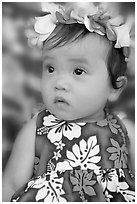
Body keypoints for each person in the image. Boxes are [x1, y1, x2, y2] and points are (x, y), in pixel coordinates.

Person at [2, 2, 135, 202]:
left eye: (78, 71)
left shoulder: (125, 128)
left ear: (115, 88)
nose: (59, 83)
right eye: (50, 69)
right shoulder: (37, 127)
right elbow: (11, 185)